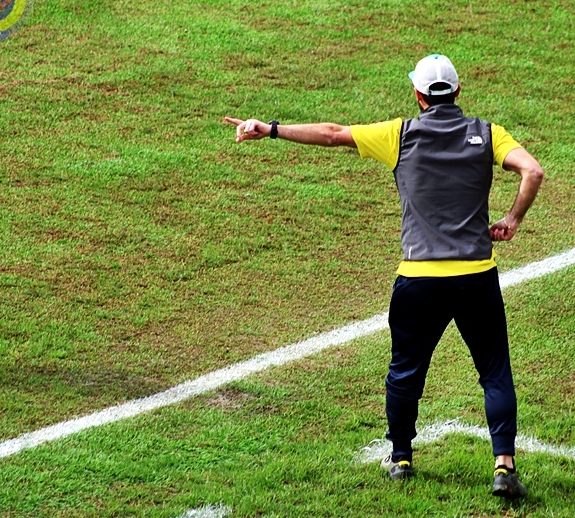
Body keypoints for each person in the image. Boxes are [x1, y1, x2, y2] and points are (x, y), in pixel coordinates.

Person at [225, 54, 543, 500]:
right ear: (457, 91)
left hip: (418, 279)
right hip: (476, 276)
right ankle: (503, 466)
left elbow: (333, 134)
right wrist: (513, 218)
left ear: (417, 94)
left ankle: (401, 457)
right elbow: (533, 170)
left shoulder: (401, 134)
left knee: (405, 372)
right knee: (494, 373)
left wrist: (271, 128)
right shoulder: (488, 134)